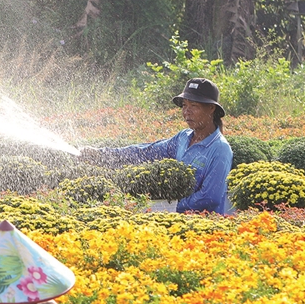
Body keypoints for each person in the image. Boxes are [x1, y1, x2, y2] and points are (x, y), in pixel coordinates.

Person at [80, 76, 233, 214]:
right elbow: (146, 152)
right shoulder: (183, 138)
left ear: (211, 108)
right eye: (184, 105)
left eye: (194, 106)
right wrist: (101, 154)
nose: (187, 112)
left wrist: (168, 207)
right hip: (175, 221)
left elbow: (209, 198)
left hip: (203, 228)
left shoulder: (219, 149)